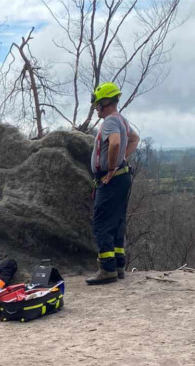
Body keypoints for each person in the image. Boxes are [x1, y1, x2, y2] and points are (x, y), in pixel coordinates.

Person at [86, 82, 140, 285]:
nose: (95, 108)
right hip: (122, 177)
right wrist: (121, 162)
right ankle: (118, 265)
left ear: (105, 103)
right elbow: (135, 139)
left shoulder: (110, 121)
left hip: (112, 179)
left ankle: (107, 269)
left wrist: (110, 169)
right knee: (116, 221)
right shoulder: (123, 121)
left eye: (97, 104)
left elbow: (116, 142)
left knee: (101, 222)